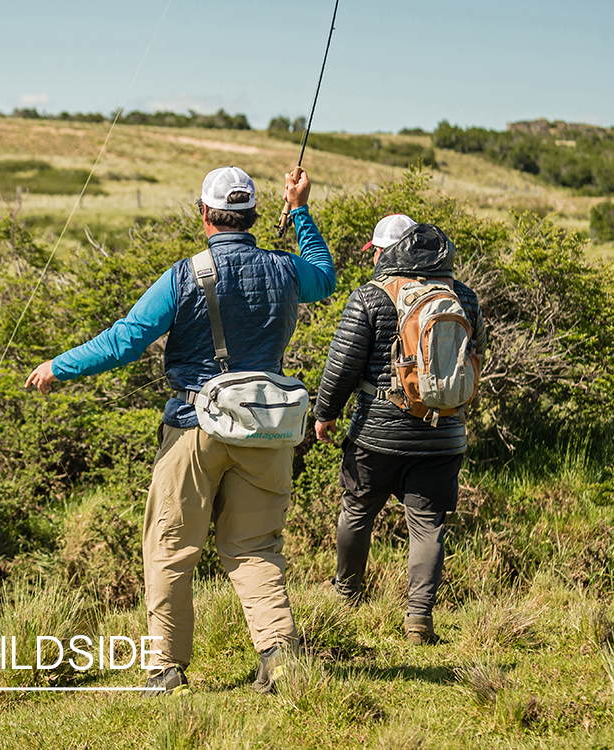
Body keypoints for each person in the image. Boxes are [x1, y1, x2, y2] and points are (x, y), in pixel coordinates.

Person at [26, 166, 335, 693]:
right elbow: (324, 278)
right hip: (266, 432)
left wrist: (61, 366)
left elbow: (125, 341)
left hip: (194, 427)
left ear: (204, 214)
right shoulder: (286, 270)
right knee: (256, 546)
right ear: (254, 215)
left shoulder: (185, 275)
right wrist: (302, 210)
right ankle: (280, 658)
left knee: (170, 547)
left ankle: (166, 668)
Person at [312, 214, 486, 645]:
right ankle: (418, 620)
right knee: (428, 526)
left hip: (376, 434)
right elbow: (474, 358)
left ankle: (346, 597)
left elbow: (342, 366)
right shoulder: (462, 295)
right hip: (443, 432)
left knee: (356, 512)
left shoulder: (370, 298)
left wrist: (324, 413)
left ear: (385, 253)